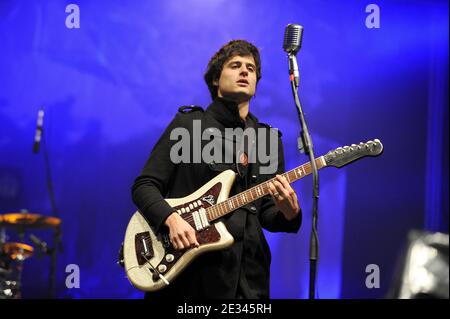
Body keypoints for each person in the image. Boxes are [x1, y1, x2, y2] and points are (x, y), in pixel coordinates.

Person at [131, 39, 302, 299]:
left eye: (251, 68)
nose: (245, 71)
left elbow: (265, 212)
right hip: (190, 274)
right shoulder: (189, 125)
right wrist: (171, 219)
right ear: (215, 79)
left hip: (248, 278)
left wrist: (289, 213)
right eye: (235, 65)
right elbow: (145, 185)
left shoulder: (268, 139)